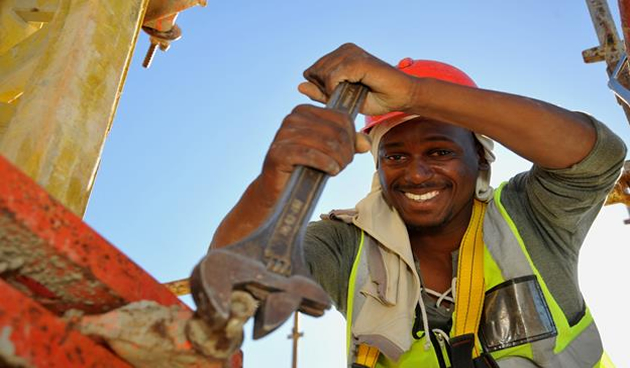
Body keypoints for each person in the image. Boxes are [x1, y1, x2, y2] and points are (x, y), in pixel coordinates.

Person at [209, 44, 626, 367]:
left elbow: (595, 155)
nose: (417, 174)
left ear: (480, 156)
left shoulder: (528, 215)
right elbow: (232, 289)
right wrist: (275, 179)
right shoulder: (344, 246)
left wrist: (413, 94)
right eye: (395, 156)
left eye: (440, 152)